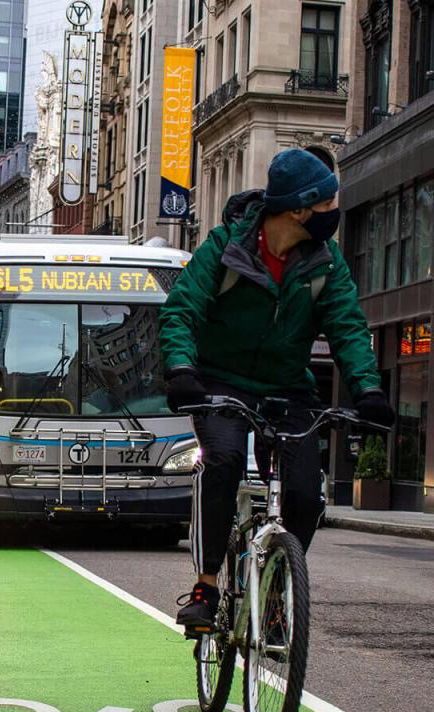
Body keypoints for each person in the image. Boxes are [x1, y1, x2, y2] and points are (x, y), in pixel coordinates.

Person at [159, 148, 395, 630]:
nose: (336, 211)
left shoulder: (325, 264)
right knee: (221, 462)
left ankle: (275, 591)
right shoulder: (225, 248)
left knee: (307, 496)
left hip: (289, 391)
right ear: (299, 209)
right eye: (330, 203)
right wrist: (183, 369)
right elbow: (182, 310)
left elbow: (348, 327)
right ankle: (205, 584)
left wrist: (368, 391)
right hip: (221, 385)